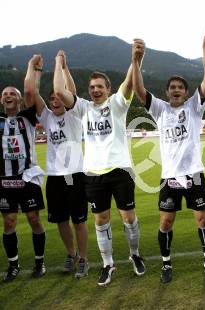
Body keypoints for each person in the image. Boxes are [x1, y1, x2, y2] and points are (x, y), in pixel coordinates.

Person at [131, 31, 205, 283]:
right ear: (167, 92)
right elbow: (138, 89)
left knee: (202, 220)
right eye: (172, 87)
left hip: (194, 175)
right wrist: (137, 61)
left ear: (187, 92)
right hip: (169, 177)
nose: (176, 90)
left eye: (180, 87)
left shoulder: (194, 106)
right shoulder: (159, 109)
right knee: (166, 222)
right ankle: (166, 264)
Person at [53, 46, 145, 286]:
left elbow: (130, 81)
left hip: (120, 170)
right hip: (93, 174)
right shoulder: (82, 107)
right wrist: (59, 63)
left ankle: (135, 254)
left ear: (108, 89)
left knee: (128, 217)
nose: (95, 90)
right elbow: (58, 91)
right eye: (92, 87)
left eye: (99, 87)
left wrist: (136, 59)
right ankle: (108, 264)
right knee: (101, 220)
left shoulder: (117, 103)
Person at [24, 52, 89, 278]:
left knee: (79, 221)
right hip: (55, 177)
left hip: (75, 175)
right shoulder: (47, 117)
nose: (55, 99)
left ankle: (83, 258)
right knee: (61, 220)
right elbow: (32, 93)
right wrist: (33, 68)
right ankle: (71, 255)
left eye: (58, 96)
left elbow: (69, 89)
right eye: (52, 98)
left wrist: (61, 66)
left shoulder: (75, 115)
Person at [0, 69, 46, 282]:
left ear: (19, 100)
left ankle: (39, 262)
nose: (8, 96)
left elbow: (30, 91)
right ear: (2, 100)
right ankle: (13, 265)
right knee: (9, 222)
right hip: (5, 180)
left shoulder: (27, 116)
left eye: (12, 94)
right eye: (5, 94)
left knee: (33, 218)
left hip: (27, 176)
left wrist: (33, 69)